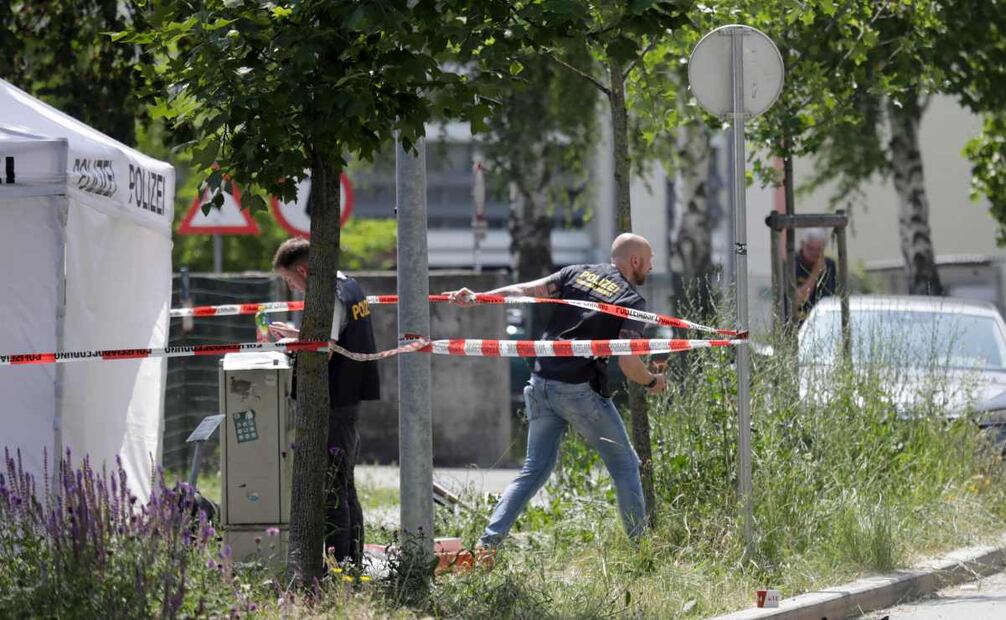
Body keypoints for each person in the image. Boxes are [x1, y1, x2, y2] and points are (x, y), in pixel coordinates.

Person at [444, 233, 668, 549]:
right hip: (579, 392)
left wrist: (480, 296)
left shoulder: (575, 272)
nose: (652, 265)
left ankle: (487, 545)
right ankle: (641, 550)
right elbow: (629, 363)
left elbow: (524, 291)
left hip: (541, 383)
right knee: (626, 466)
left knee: (533, 471)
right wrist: (652, 382)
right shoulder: (631, 302)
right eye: (650, 260)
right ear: (636, 261)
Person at [269, 238, 380, 565]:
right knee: (345, 484)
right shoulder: (350, 285)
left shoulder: (329, 296)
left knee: (333, 487)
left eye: (290, 280)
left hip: (336, 399)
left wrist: (296, 346)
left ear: (303, 269)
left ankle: (341, 564)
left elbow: (325, 350)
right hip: (349, 397)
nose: (291, 287)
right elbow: (333, 337)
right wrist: (296, 335)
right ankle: (352, 562)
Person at [795, 228, 837, 321]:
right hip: (799, 322)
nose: (815, 253)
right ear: (803, 245)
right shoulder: (793, 264)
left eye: (819, 249)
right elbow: (795, 301)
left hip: (823, 321)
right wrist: (815, 273)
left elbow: (833, 297)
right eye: (811, 249)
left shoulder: (829, 265)